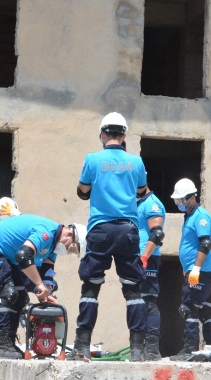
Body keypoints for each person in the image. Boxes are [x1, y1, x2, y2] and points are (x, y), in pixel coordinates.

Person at [70, 112, 149, 361]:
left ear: (102, 134)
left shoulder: (92, 159)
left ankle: (82, 346)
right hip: (128, 231)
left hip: (100, 230)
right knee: (133, 291)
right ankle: (137, 349)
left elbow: (82, 191)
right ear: (124, 135)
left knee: (90, 289)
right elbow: (142, 191)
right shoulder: (136, 162)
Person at [0, 214, 86, 359]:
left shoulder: (53, 247)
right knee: (7, 293)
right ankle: (1, 347)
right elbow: (23, 255)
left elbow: (47, 271)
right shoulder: (45, 232)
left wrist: (47, 293)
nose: (68, 252)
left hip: (9, 257)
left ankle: (9, 343)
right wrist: (39, 285)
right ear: (69, 234)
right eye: (72, 248)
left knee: (21, 297)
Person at [170, 178, 211, 361]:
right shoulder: (190, 216)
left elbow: (205, 243)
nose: (179, 204)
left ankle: (190, 350)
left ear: (192, 197)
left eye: (182, 200)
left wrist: (196, 269)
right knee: (205, 308)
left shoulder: (201, 216)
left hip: (200, 272)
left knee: (189, 307)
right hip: (199, 271)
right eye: (177, 201)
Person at [137, 188, 166, 360]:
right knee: (137, 303)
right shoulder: (140, 203)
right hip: (136, 258)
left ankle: (153, 349)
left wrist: (144, 257)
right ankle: (138, 347)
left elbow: (157, 233)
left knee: (148, 302)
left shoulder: (152, 204)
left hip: (146, 258)